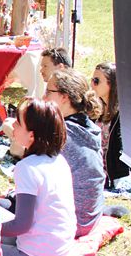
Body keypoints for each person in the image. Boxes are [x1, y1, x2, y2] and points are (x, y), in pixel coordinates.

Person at [1, 98, 77, 256]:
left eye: (18, 122)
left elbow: (21, 225)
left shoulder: (27, 167)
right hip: (58, 253)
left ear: (32, 136)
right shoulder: (58, 160)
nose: (13, 125)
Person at [44, 69, 106, 237]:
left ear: (64, 97)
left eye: (48, 91)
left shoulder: (62, 134)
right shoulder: (89, 127)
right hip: (91, 216)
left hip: (71, 222)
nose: (44, 97)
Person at [92, 62, 131, 195]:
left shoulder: (124, 113)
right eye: (92, 80)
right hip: (99, 178)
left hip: (119, 180)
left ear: (111, 84)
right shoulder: (95, 110)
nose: (92, 85)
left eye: (96, 81)